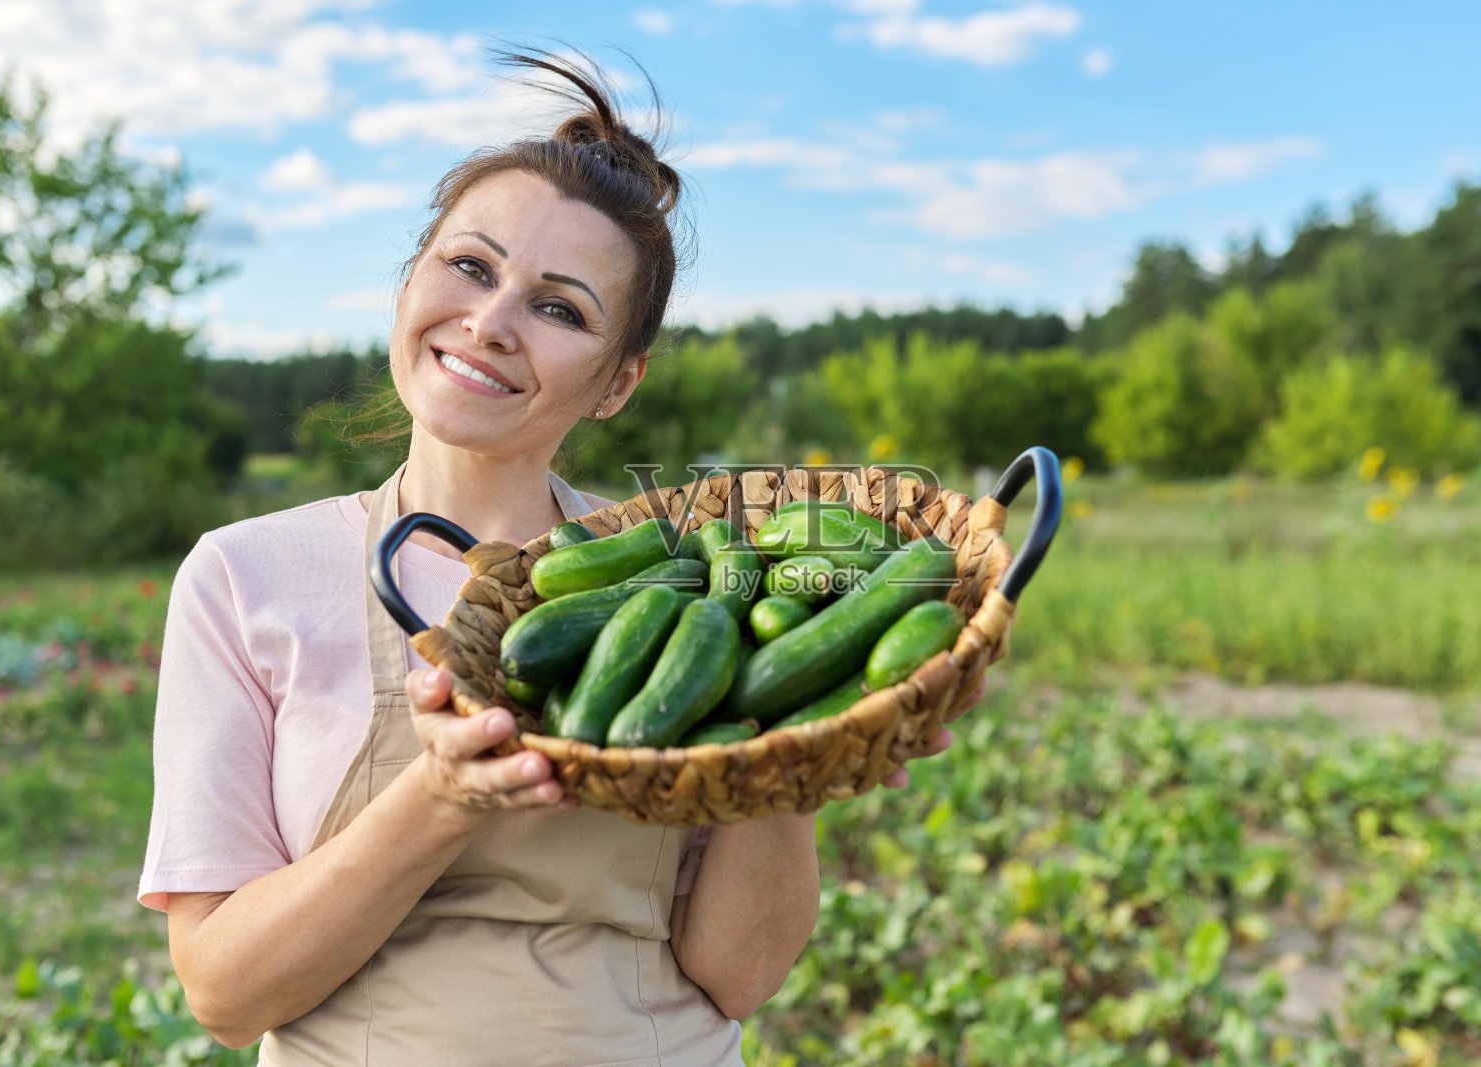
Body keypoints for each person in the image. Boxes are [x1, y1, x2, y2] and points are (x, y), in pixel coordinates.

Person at [138, 49, 958, 1066]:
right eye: (470, 267)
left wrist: (796, 742)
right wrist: (440, 799)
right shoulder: (243, 576)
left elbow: (738, 976)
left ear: (617, 383)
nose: (490, 322)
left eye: (559, 307)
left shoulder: (687, 573)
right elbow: (223, 993)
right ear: (411, 281)